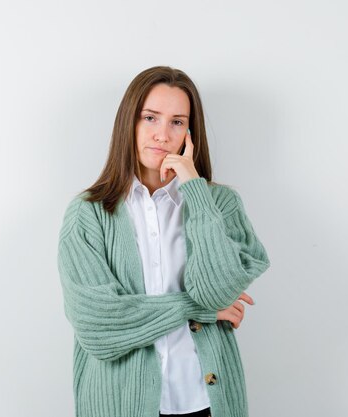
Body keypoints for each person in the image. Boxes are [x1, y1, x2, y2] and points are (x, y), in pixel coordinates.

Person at [57, 66, 271, 417]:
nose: (162, 135)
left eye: (176, 122)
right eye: (150, 118)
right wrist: (196, 308)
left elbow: (216, 292)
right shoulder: (88, 214)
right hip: (120, 402)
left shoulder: (220, 206)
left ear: (190, 132)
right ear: (130, 122)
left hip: (207, 401)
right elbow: (97, 326)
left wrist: (195, 190)